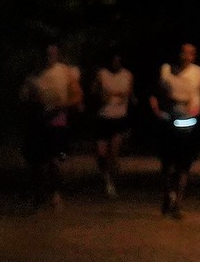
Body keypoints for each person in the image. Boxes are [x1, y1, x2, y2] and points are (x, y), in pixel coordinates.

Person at [20, 44, 79, 209]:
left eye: (53, 54)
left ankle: (55, 192)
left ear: (57, 55)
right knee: (38, 161)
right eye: (47, 54)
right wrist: (32, 102)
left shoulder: (65, 71)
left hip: (58, 118)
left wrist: (65, 105)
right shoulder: (33, 76)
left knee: (55, 158)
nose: (50, 57)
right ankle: (39, 192)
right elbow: (24, 98)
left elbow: (76, 95)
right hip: (38, 119)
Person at [152, 43, 200, 219]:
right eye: (183, 52)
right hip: (169, 119)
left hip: (189, 121)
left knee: (184, 165)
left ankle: (178, 203)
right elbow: (157, 93)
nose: (186, 56)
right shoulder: (166, 70)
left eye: (190, 53)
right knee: (168, 164)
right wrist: (159, 111)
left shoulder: (199, 72)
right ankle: (168, 194)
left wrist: (198, 106)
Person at [89, 49, 136, 200]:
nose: (116, 63)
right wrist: (100, 94)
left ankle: (111, 183)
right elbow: (93, 92)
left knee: (113, 153)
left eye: (118, 60)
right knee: (101, 154)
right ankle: (105, 177)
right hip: (103, 117)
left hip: (119, 117)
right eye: (113, 60)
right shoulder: (102, 74)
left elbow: (130, 94)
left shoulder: (127, 75)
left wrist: (131, 100)